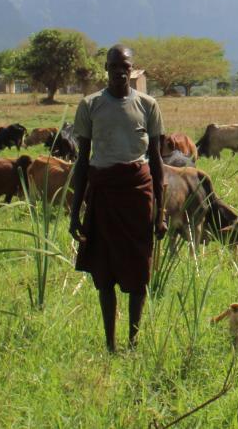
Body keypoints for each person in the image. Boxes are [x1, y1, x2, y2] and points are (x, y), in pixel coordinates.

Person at [69, 44, 167, 352]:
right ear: (106, 69)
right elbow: (83, 160)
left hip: (138, 195)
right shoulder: (90, 105)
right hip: (102, 194)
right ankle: (111, 344)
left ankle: (133, 342)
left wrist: (160, 211)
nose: (119, 71)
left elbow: (157, 161)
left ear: (132, 69)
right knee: (104, 272)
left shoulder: (148, 106)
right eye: (113, 66)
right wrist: (75, 211)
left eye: (125, 66)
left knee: (139, 272)